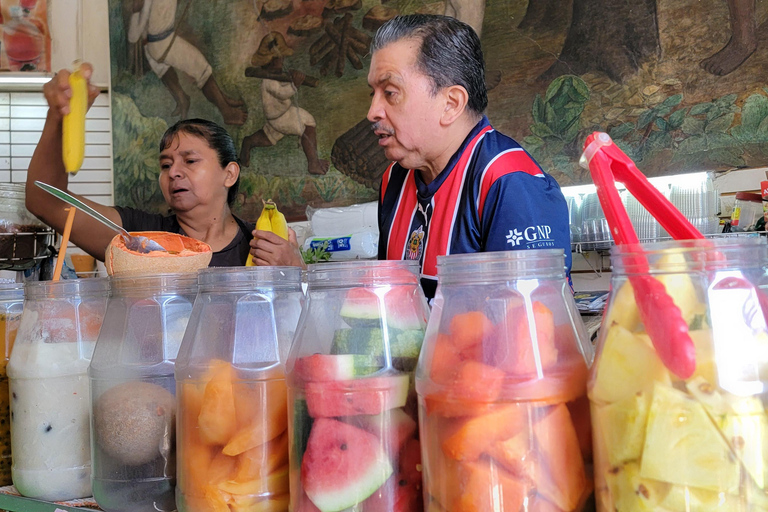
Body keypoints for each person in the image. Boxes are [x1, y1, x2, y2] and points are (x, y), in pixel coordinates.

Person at [368, 14, 571, 300]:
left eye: (390, 92)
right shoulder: (394, 179)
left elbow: (534, 316)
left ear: (451, 104)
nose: (372, 112)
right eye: (373, 94)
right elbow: (390, 305)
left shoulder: (509, 181)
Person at [25, 64, 301, 267]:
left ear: (229, 174)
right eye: (166, 165)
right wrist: (58, 117)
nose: (174, 173)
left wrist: (294, 269)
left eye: (190, 161)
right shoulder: (137, 238)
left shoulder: (263, 244)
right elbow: (44, 201)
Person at [127, 0, 248, 125]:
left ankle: (215, 99)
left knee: (165, 70)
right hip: (162, 43)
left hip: (156, 44)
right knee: (202, 68)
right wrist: (136, 11)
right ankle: (227, 113)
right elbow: (133, 36)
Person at [240, 32, 330, 175]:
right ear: (271, 60)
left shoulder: (276, 74)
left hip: (282, 113)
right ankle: (313, 164)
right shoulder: (268, 80)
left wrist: (292, 77)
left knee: (268, 138)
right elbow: (282, 93)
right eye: (279, 58)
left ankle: (248, 143)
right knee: (308, 125)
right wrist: (295, 84)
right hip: (279, 117)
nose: (282, 60)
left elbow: (283, 86)